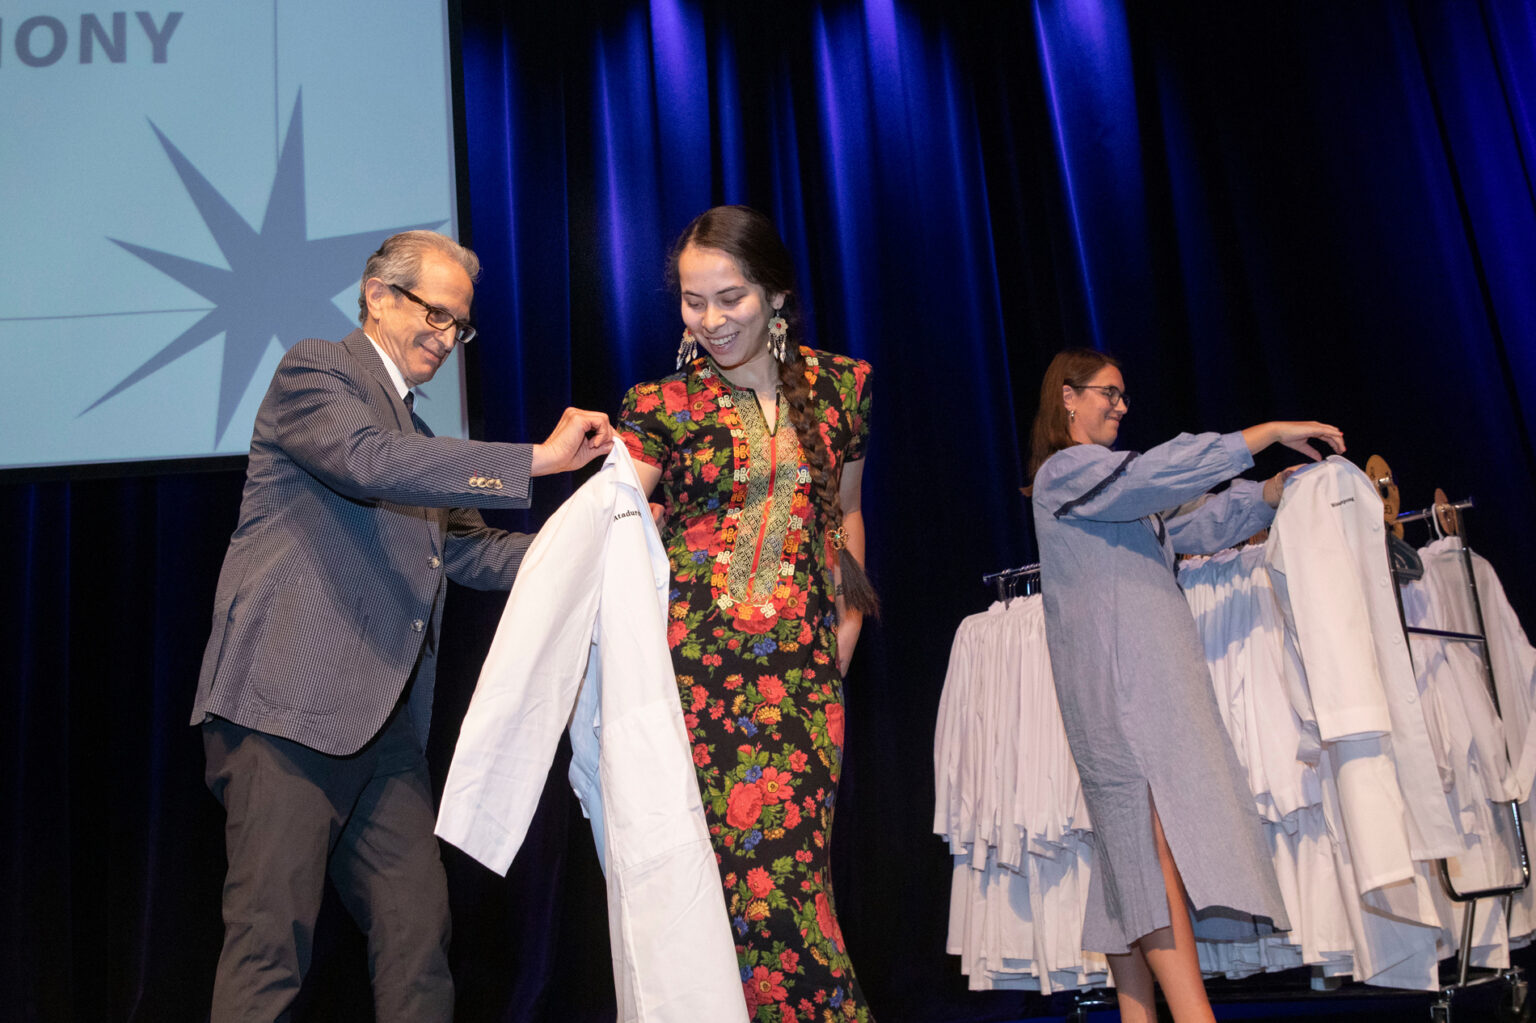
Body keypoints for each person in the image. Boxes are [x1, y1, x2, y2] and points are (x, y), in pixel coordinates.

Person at [189, 230, 613, 1022]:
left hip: (385, 736)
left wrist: (600, 542)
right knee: (268, 945)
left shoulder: (418, 443)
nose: (446, 337)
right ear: (378, 296)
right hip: (285, 715)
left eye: (459, 325)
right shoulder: (315, 370)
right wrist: (540, 460)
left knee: (420, 937)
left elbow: (475, 553)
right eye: (435, 313)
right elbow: (365, 459)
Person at [1026, 348, 1344, 1023]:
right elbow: (1158, 475)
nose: (1120, 406)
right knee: (1144, 845)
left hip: (1144, 681)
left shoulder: (1117, 494)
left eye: (1123, 395)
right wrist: (1259, 436)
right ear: (1068, 398)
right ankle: (1195, 1015)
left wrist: (1265, 495)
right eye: (1109, 393)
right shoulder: (1066, 472)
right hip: (1118, 687)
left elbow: (1189, 522)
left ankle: (1141, 1016)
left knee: (1129, 856)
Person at [618, 206, 877, 1022]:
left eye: (729, 298)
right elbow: (611, 526)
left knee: (793, 884)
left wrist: (848, 624)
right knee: (735, 894)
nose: (711, 320)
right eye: (694, 302)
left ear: (775, 295)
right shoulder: (660, 404)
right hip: (697, 686)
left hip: (804, 681)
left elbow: (847, 515)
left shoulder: (843, 387)